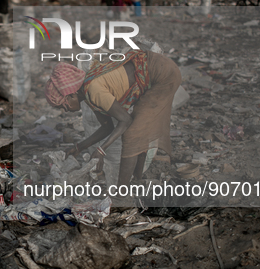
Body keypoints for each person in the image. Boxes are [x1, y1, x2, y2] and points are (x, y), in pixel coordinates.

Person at [44, 50, 181, 185]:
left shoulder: (93, 90)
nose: (65, 110)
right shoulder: (87, 93)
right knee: (139, 130)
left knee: (133, 134)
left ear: (72, 95)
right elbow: (107, 127)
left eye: (63, 105)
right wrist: (79, 147)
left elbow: (125, 120)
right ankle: (138, 181)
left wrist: (101, 150)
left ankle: (122, 195)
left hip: (163, 74)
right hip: (154, 68)